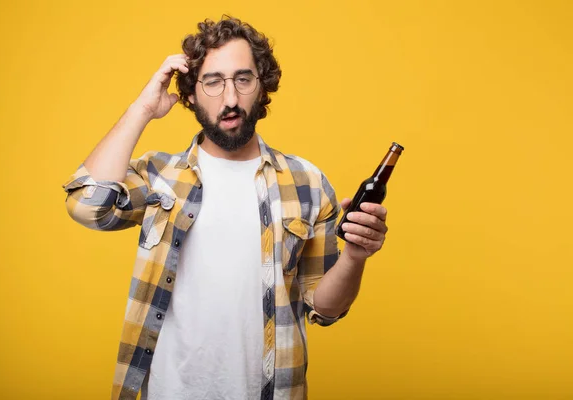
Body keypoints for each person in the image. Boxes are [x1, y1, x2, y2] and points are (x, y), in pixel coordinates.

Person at [62, 15, 389, 400]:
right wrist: (143, 108)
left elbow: (325, 308)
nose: (230, 99)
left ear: (262, 85)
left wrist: (354, 256)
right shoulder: (159, 175)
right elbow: (88, 205)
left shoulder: (307, 182)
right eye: (213, 82)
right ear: (190, 94)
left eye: (243, 79)